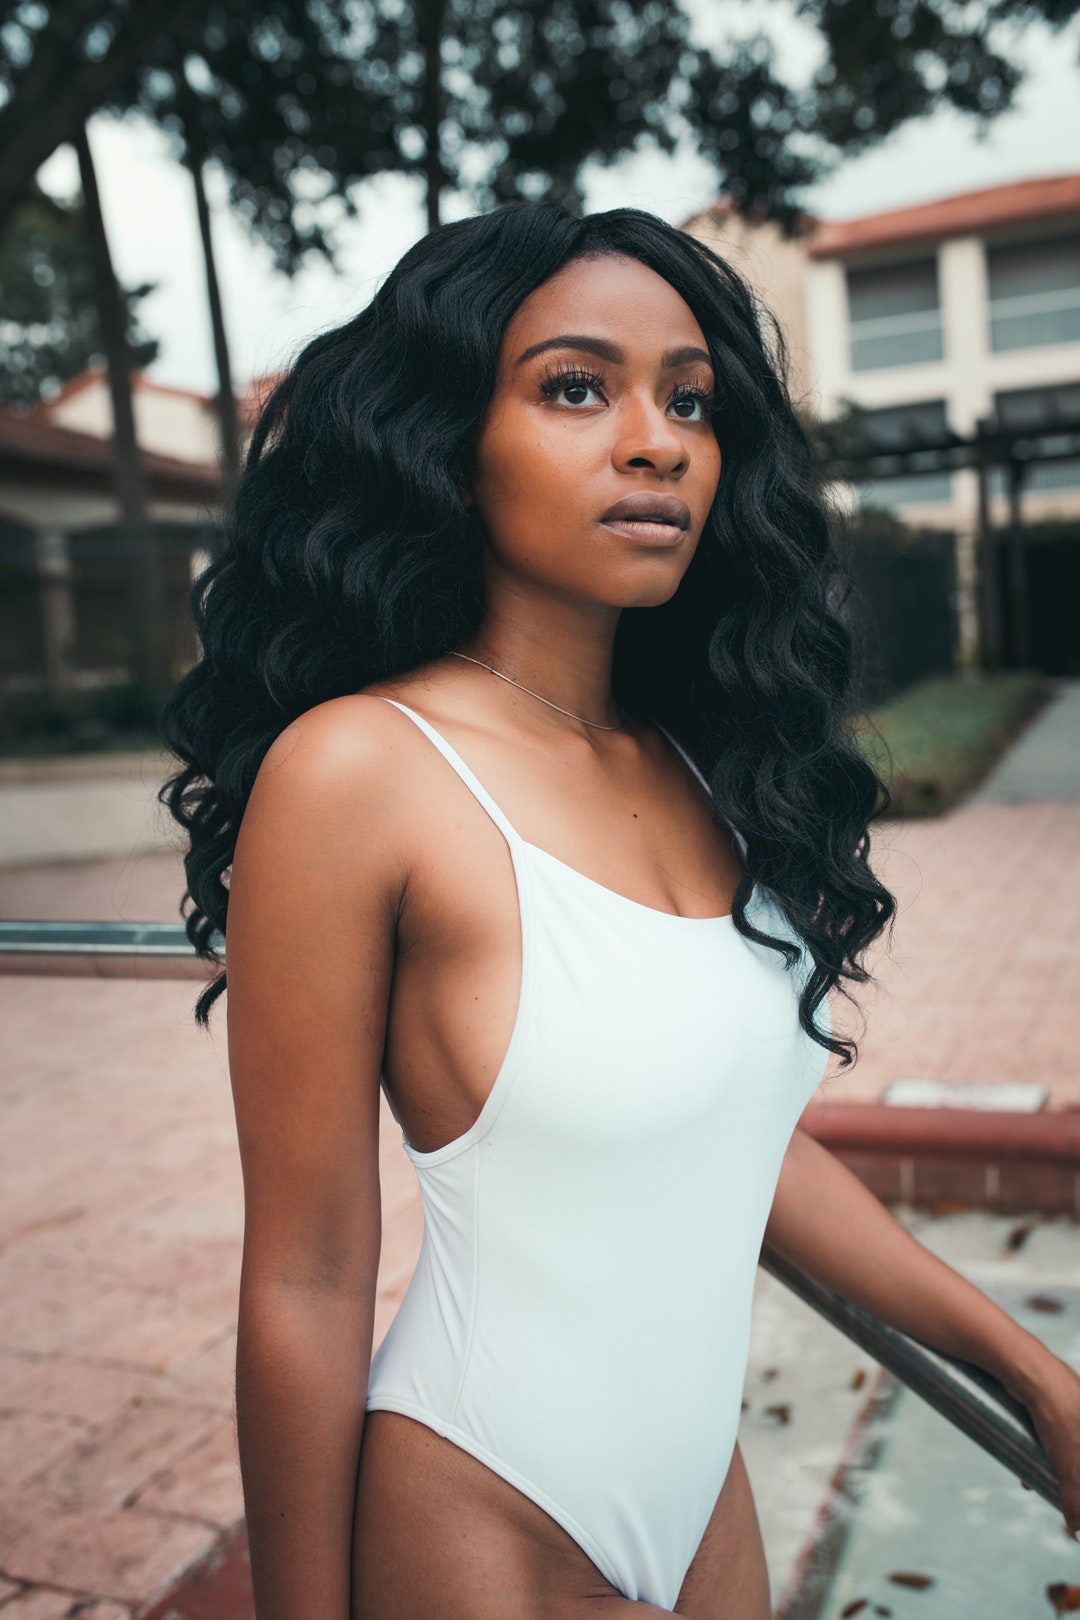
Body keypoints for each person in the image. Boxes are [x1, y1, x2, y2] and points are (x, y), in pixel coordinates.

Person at [162, 204, 1080, 1620]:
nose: (656, 440)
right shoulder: (359, 770)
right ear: (451, 440)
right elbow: (307, 1269)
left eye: (691, 399)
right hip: (480, 1517)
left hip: (706, 1511)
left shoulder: (697, 765)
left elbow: (733, 1154)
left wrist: (1035, 1374)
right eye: (576, 386)